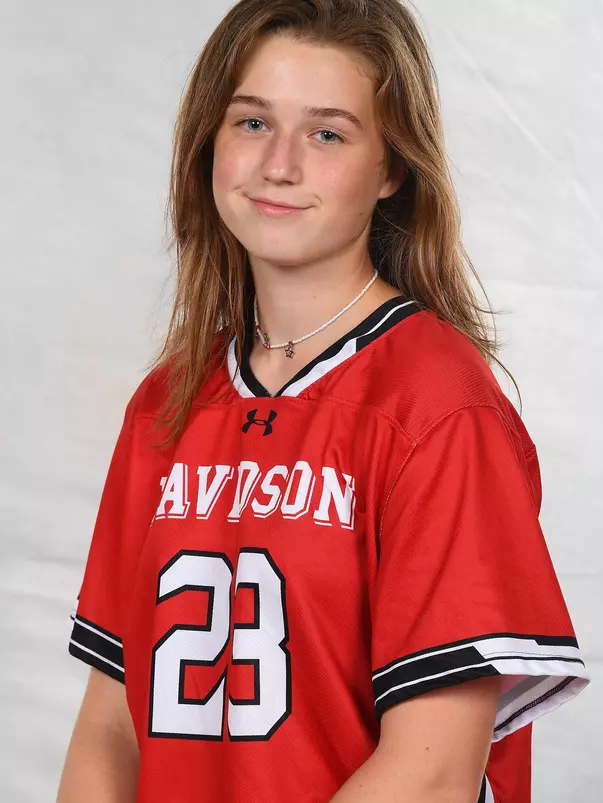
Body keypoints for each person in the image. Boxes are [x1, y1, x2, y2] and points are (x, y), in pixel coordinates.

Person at [57, 1, 590, 801]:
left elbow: (434, 771)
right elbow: (110, 720)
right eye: (250, 122)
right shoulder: (166, 403)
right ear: (208, 138)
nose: (279, 164)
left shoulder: (437, 407)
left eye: (328, 133)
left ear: (391, 168)